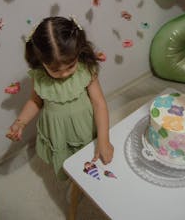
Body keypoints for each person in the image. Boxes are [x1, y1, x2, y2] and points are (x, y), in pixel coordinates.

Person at [6, 16, 114, 180]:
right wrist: (21, 121)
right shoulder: (39, 76)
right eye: (55, 70)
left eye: (70, 66)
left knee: (87, 158)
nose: (64, 74)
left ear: (78, 52)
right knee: (66, 162)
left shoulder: (86, 69)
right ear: (42, 62)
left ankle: (83, 180)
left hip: (83, 126)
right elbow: (35, 101)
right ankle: (72, 180)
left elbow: (99, 104)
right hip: (58, 132)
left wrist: (104, 139)